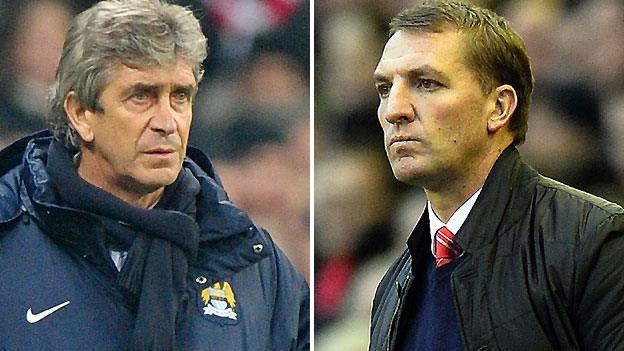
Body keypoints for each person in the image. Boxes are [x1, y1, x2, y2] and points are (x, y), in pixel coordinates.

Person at [0, 1, 309, 350]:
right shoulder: (10, 236)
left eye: (180, 96)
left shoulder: (248, 257)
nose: (167, 122)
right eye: (141, 96)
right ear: (81, 113)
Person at [369, 1, 624, 350]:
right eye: (385, 89)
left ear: (499, 107)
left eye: (426, 83)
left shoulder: (594, 240)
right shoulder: (393, 287)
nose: (394, 110)